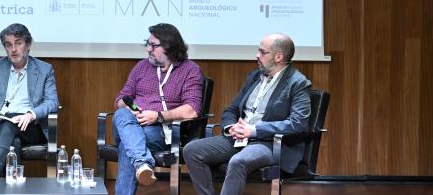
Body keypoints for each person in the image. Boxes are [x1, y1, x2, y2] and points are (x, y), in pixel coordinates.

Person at [183, 33, 312, 195]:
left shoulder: (298, 83)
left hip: (270, 143)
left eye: (262, 52)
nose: (257, 56)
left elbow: (297, 123)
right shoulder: (254, 77)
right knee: (191, 150)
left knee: (238, 161)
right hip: (239, 138)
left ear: (278, 56)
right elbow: (231, 110)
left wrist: (254, 130)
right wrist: (231, 127)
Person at [112, 23, 204, 194]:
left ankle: (140, 163)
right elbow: (120, 99)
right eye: (147, 43)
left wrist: (158, 116)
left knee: (128, 145)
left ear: (169, 46)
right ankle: (142, 162)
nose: (148, 49)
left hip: (162, 130)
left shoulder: (190, 70)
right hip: (130, 123)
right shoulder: (141, 67)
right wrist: (129, 107)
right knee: (121, 114)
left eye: (153, 45)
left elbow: (192, 110)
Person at [0, 23, 59, 177]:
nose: (13, 49)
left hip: (30, 128)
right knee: (13, 141)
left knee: (11, 125)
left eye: (18, 43)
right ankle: (12, 186)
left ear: (28, 45)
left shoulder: (44, 69)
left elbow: (52, 102)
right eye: (8, 45)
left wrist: (30, 114)